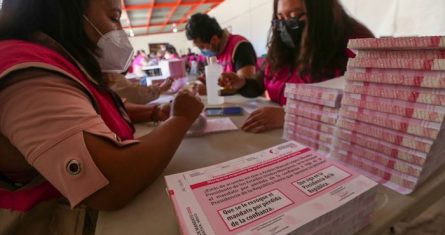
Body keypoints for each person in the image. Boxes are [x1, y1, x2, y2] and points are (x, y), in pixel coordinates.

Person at [0, 0, 204, 234]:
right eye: (114, 17)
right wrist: (180, 119)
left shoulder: (63, 62)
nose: (121, 32)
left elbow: (95, 109)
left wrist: (154, 112)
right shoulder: (27, 71)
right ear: (68, 13)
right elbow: (109, 183)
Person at [219, 0, 373, 133]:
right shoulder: (282, 47)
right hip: (281, 139)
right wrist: (243, 83)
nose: (285, 24)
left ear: (321, 11)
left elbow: (368, 111)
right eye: (280, 18)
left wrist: (291, 115)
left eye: (294, 16)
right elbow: (259, 84)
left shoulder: (355, 44)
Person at [185, 13, 258, 94]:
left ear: (214, 40)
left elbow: (247, 86)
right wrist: (198, 84)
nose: (202, 51)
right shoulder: (212, 54)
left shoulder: (240, 46)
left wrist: (211, 91)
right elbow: (206, 78)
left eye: (202, 47)